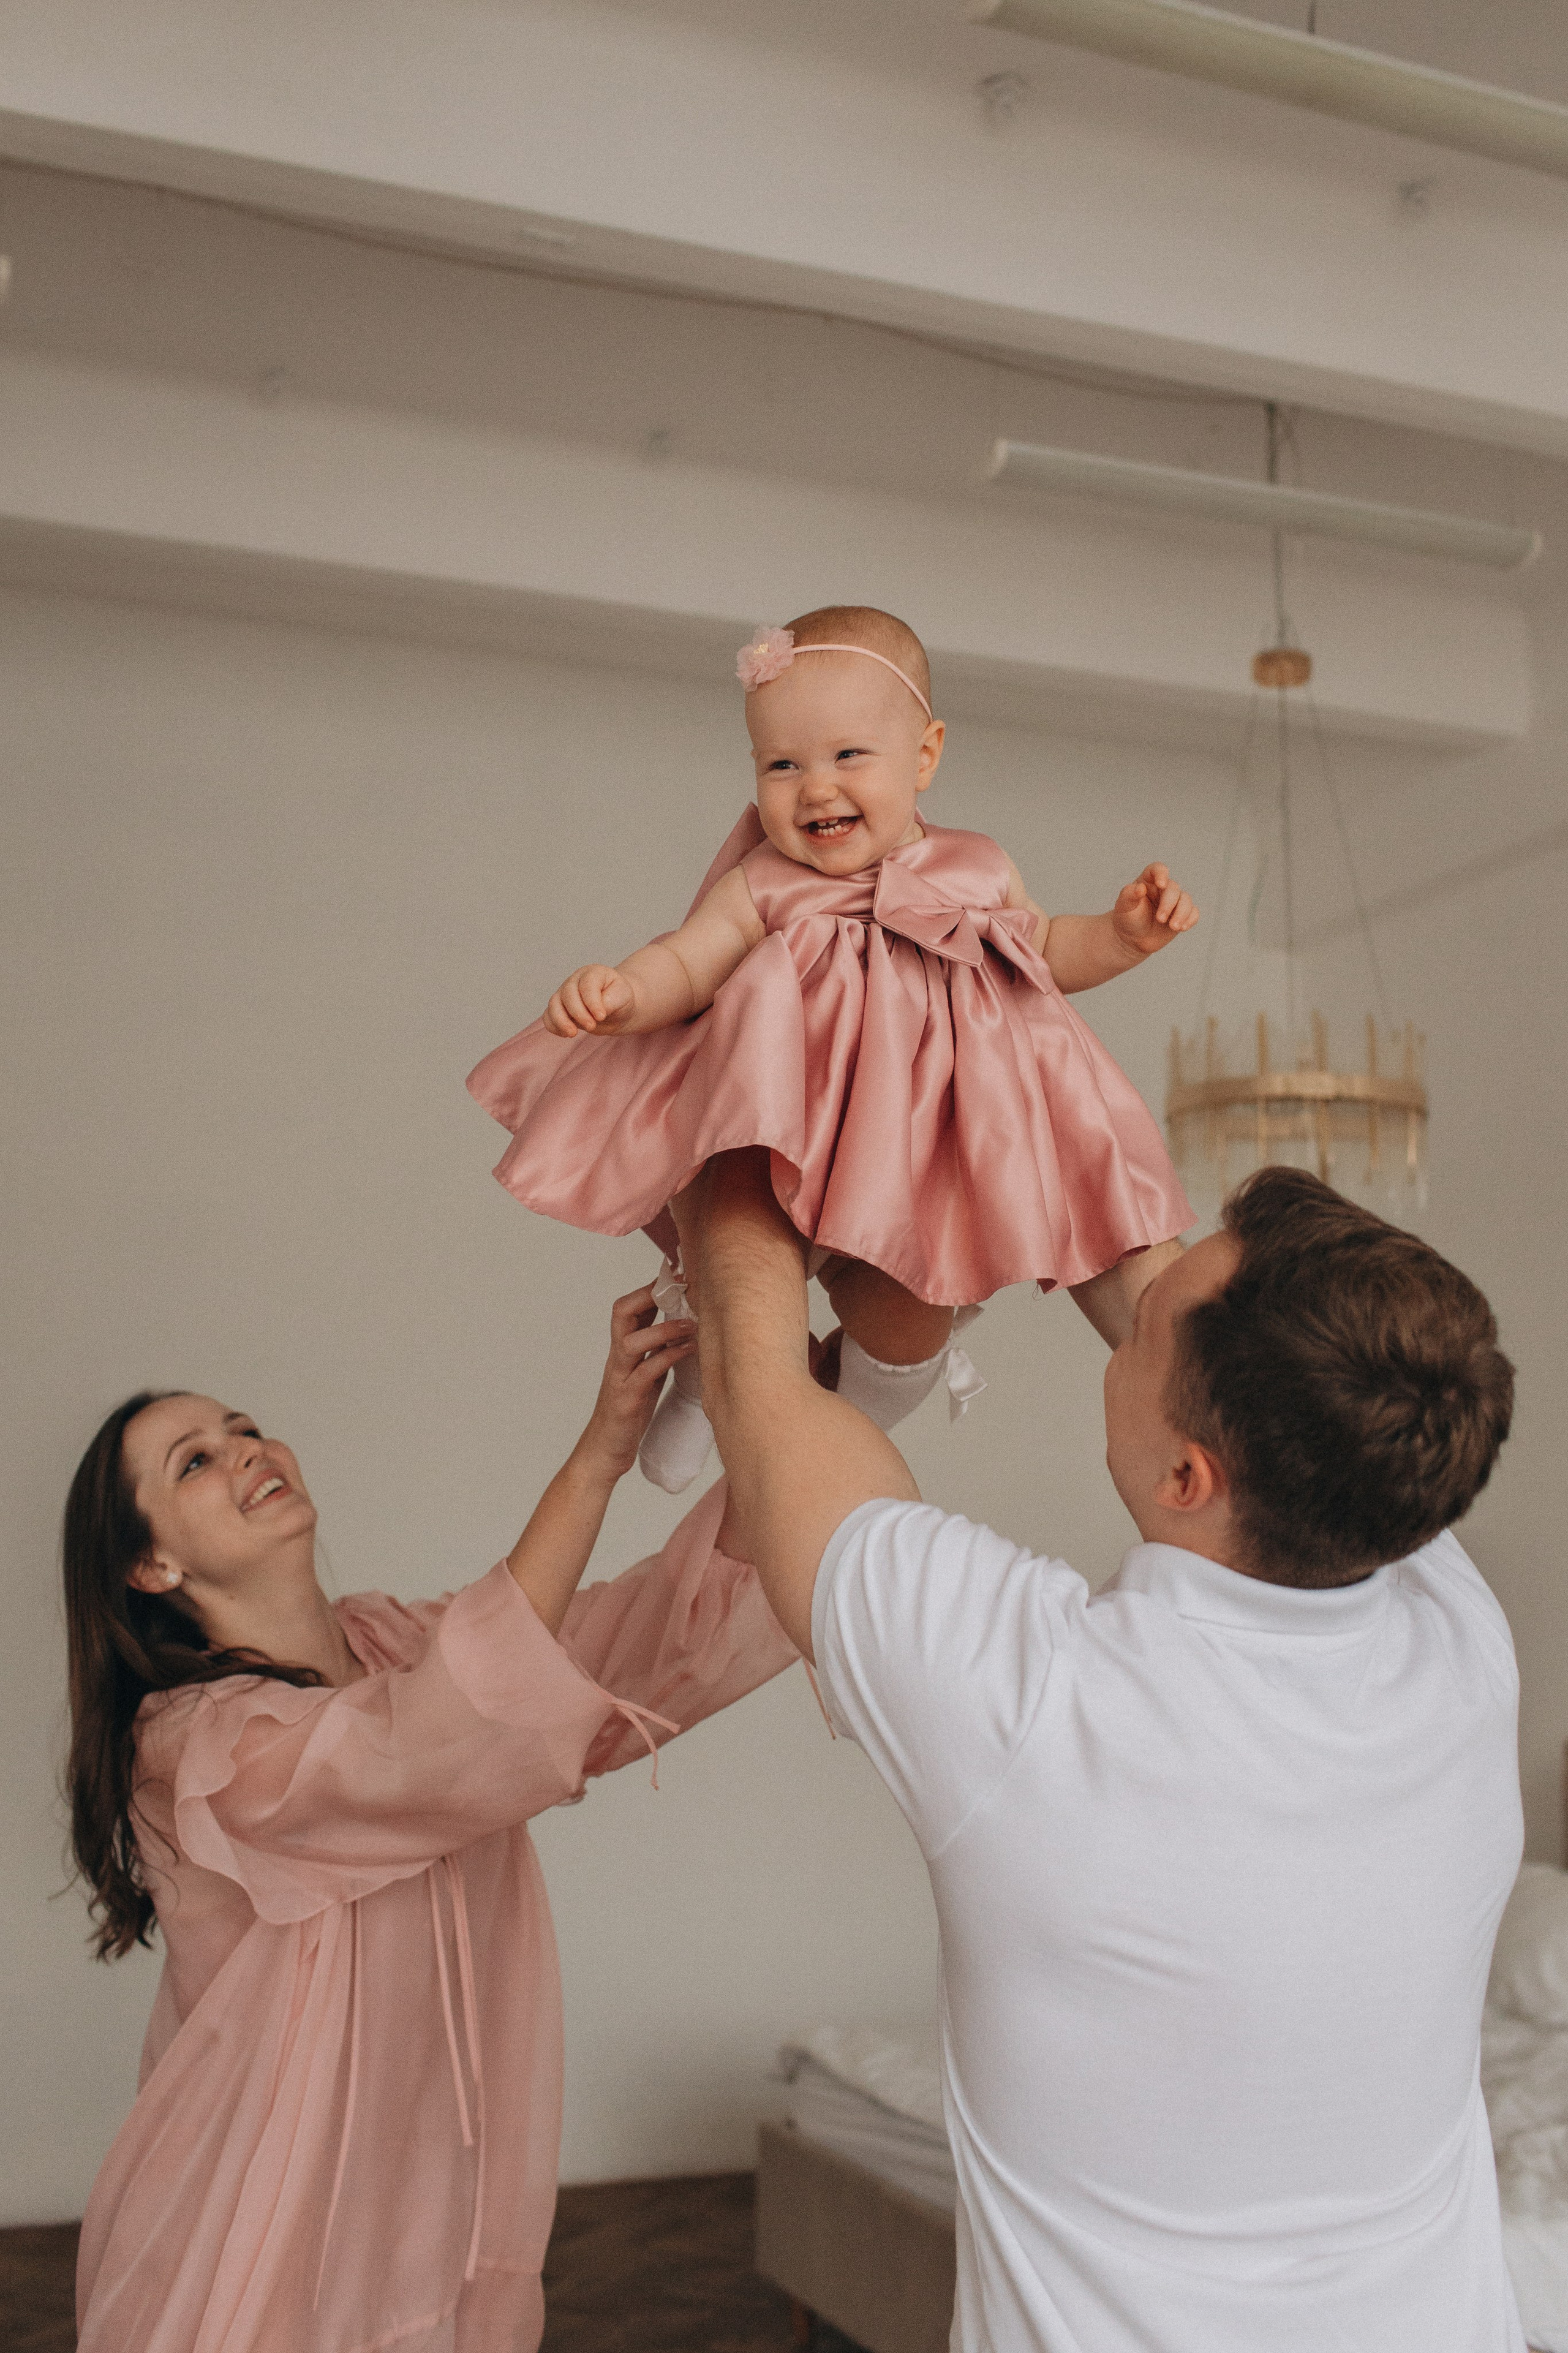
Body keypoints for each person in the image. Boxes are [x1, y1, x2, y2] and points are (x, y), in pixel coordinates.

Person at [680, 1151, 1524, 2353]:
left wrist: (744, 1119)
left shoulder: (1038, 1709)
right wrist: (998, 1060)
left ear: (1188, 1475)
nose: (1125, 1325)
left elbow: (758, 1391)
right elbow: (1141, 1265)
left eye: (1143, 1337)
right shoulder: (1453, 1632)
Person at [64, 1285, 796, 2353]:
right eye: (194, 1462)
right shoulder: (193, 1744)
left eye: (243, 1427)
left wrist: (796, 1415)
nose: (246, 1449)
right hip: (244, 2224)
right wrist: (598, 1453)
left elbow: (616, 1638)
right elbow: (428, 1736)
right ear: (152, 1565)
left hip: (416, 2205)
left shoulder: (389, 1640)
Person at [467, 604, 1197, 1497]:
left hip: (921, 1147)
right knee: (745, 1279)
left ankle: (851, 1421)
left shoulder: (976, 867)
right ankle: (700, 1391)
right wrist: (625, 991)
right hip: (797, 1124)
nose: (814, 788)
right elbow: (689, 963)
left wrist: (1123, 937)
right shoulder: (765, 884)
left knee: (912, 1311)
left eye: (848, 756)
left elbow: (1044, 950)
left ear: (924, 756)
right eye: (783, 765)